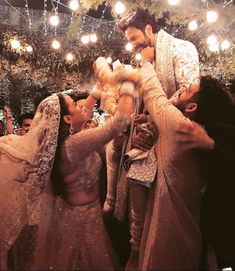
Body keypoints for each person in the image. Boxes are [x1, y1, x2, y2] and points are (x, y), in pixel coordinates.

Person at [0, 61, 138, 270]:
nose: (81, 106)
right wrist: (128, 83)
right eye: (75, 105)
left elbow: (87, 109)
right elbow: (119, 123)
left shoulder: (68, 141)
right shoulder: (74, 144)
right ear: (66, 118)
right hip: (82, 223)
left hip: (75, 215)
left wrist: (99, 88)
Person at [104, 8, 200, 268]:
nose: (132, 45)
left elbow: (190, 92)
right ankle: (138, 255)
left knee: (168, 226)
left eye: (134, 38)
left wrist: (156, 113)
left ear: (149, 29)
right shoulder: (145, 62)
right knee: (140, 222)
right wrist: (140, 123)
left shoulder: (183, 48)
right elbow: (141, 107)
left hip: (177, 147)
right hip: (148, 147)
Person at [137, 57, 233, 269]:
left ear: (191, 107)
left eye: (188, 89)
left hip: (170, 232)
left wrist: (143, 60)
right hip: (191, 228)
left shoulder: (180, 126)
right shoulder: (205, 131)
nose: (181, 90)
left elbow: (153, 92)